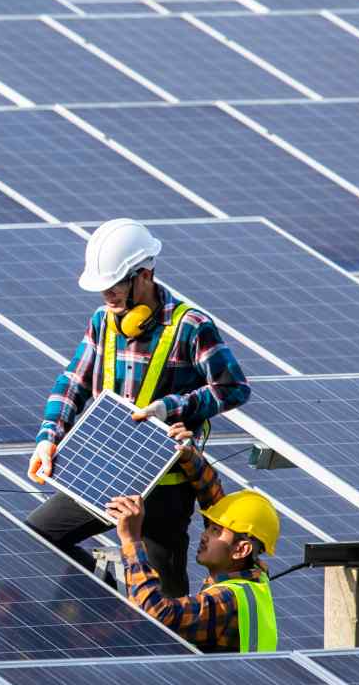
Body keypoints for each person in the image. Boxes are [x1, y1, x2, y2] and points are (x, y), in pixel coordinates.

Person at [25, 218, 250, 596]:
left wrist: (172, 408)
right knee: (37, 536)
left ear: (143, 274)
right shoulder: (102, 322)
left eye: (114, 287)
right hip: (103, 473)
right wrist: (48, 438)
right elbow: (73, 382)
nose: (107, 297)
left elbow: (234, 388)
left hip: (166, 489)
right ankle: (111, 597)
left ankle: (151, 627)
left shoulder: (191, 327)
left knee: (166, 605)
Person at [106, 428, 279, 653]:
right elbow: (214, 500)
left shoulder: (227, 599)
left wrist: (131, 541)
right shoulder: (252, 582)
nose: (205, 535)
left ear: (241, 549)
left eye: (216, 531)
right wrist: (190, 456)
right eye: (209, 527)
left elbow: (156, 613)